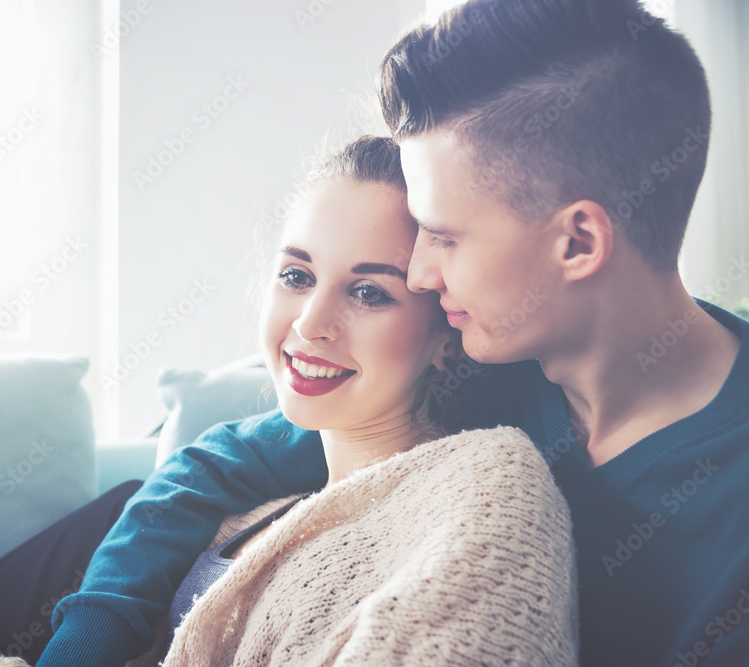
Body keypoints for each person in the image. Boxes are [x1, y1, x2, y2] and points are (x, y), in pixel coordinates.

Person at [39, 1, 749, 666]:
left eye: (442, 236)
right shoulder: (485, 372)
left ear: (578, 242)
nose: (420, 272)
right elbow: (223, 459)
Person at [0, 137, 577, 666]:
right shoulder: (284, 476)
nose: (310, 324)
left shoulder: (485, 481)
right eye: (295, 275)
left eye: (369, 293)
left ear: (446, 328)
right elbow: (207, 463)